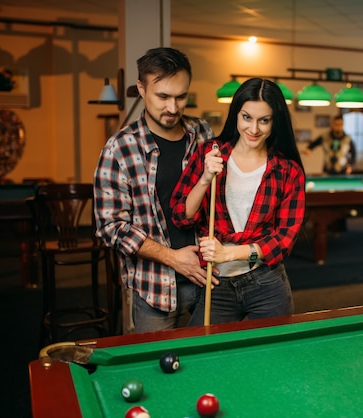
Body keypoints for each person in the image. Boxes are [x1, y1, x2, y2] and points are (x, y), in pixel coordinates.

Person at [93, 47, 218, 334]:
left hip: (209, 278)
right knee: (153, 367)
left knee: (208, 364)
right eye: (163, 96)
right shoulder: (119, 148)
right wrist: (173, 258)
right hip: (154, 287)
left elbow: (218, 200)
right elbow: (110, 226)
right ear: (141, 89)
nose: (173, 108)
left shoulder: (202, 134)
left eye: (181, 97)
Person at [170, 77, 306, 326]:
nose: (254, 129)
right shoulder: (210, 153)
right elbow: (182, 216)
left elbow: (284, 238)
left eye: (264, 120)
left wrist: (228, 253)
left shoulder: (288, 170)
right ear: (236, 114)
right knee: (203, 353)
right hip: (217, 282)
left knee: (272, 359)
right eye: (247, 117)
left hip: (266, 282)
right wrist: (204, 178)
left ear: (275, 122)